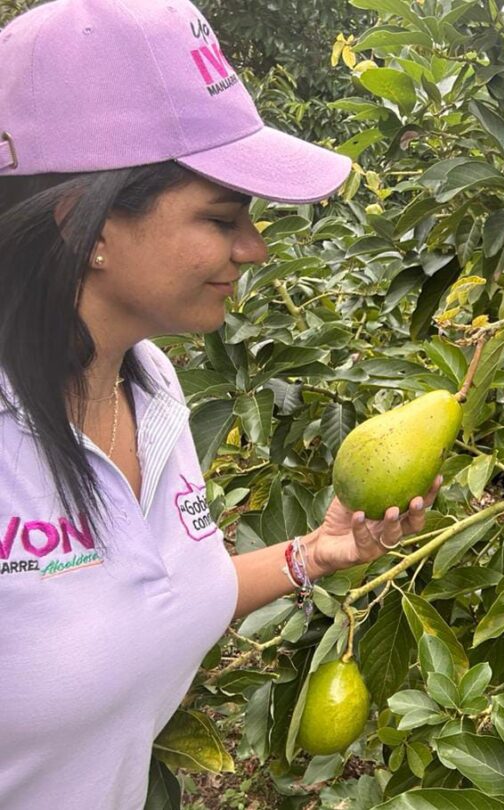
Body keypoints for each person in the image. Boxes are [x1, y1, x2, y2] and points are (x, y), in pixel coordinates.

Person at [0, 0, 439, 806]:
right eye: (222, 217)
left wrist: (313, 556)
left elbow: (144, 600)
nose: (254, 248)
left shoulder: (152, 383)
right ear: (83, 224)